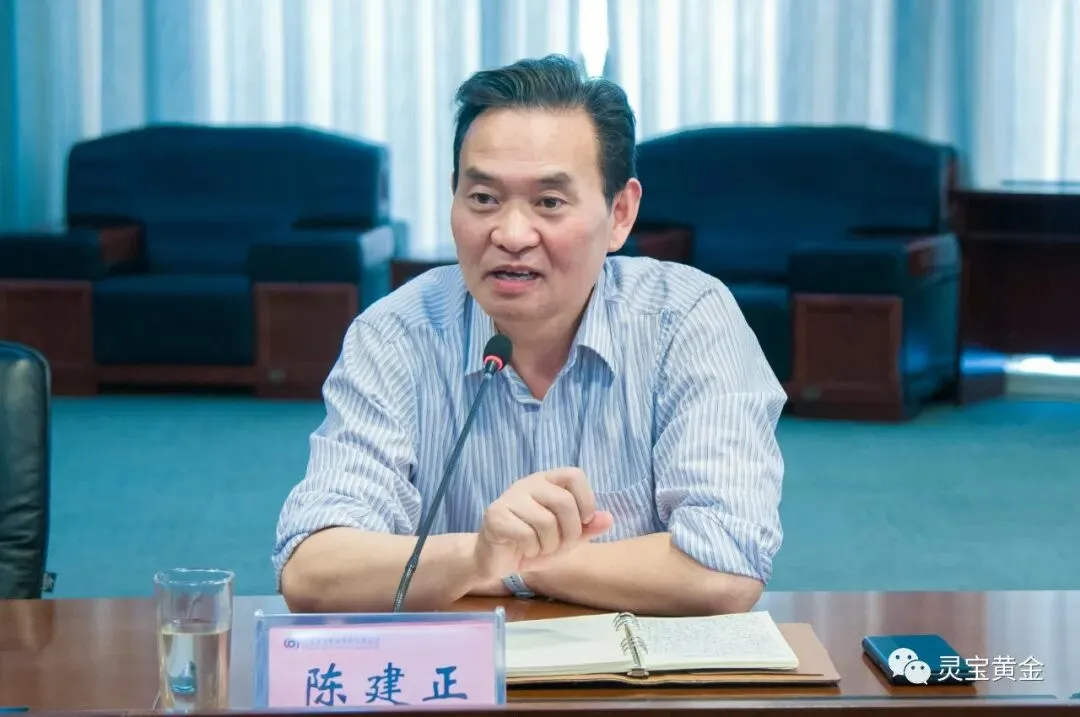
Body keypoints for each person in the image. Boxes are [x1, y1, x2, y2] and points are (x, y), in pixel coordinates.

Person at [273, 54, 786, 617]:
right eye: (484, 199)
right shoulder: (396, 335)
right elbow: (313, 570)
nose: (512, 235)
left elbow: (724, 567)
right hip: (456, 671)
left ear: (620, 213)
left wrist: (511, 561)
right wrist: (476, 554)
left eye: (549, 203)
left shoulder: (686, 320)